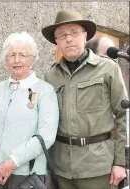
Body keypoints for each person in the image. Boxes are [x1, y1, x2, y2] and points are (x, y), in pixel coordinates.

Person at [41, 10, 128, 189]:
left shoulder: (108, 69)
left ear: (85, 35)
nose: (69, 39)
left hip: (98, 166)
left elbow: (123, 114)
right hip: (62, 168)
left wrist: (120, 162)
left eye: (74, 32)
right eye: (62, 35)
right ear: (56, 42)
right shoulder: (50, 76)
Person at [0, 32, 59, 189]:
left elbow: (46, 136)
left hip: (27, 176)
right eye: (12, 55)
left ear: (33, 59)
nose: (17, 60)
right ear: (6, 60)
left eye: (22, 55)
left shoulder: (44, 91)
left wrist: (13, 162)